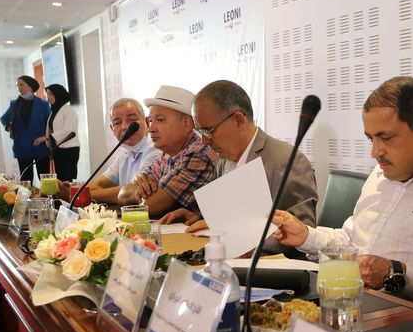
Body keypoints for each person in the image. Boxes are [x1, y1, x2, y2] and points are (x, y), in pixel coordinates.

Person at [272, 76, 413, 317]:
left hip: (412, 325)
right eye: (370, 138)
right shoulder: (382, 173)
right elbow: (353, 241)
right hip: (356, 308)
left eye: (386, 138)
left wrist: (396, 272)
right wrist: (306, 236)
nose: (375, 152)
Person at [160, 80, 318, 257]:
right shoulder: (222, 163)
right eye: (200, 133)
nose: (204, 141)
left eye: (208, 132)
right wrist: (201, 217)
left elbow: (303, 235)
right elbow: (232, 217)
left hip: (266, 267)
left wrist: (231, 233)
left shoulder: (286, 161)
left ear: (238, 120)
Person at [121, 85, 218, 217]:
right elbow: (123, 194)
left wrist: (140, 190)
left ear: (187, 123)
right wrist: (140, 188)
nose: (151, 129)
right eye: (150, 121)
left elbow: (149, 206)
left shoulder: (197, 152)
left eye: (160, 120)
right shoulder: (165, 155)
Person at [70, 98, 161, 205]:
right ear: (112, 129)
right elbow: (99, 184)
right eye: (117, 122)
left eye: (132, 119)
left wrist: (78, 194)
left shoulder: (155, 149)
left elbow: (131, 192)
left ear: (147, 122)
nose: (125, 127)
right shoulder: (125, 152)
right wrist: (74, 188)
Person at [0, 75, 51, 182]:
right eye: (17, 85)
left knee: (45, 179)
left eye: (21, 84)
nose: (18, 87)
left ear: (30, 86)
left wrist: (46, 137)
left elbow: (50, 123)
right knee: (26, 179)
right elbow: (4, 119)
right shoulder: (14, 103)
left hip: (41, 146)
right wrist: (9, 128)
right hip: (22, 146)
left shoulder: (43, 104)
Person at [35, 84, 80, 181]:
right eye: (47, 94)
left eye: (51, 94)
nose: (48, 97)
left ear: (58, 94)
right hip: (58, 150)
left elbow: (69, 131)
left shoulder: (69, 110)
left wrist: (46, 138)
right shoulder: (54, 111)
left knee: (67, 180)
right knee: (59, 180)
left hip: (69, 150)